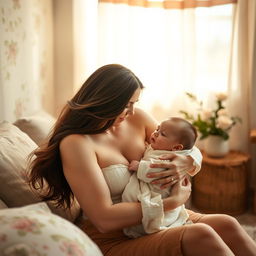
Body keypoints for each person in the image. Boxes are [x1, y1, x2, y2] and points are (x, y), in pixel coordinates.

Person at [29, 64, 256, 256]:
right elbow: (104, 219)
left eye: (134, 103)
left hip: (164, 221)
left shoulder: (136, 119)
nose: (131, 111)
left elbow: (183, 145)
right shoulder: (76, 143)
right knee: (200, 234)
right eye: (126, 104)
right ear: (105, 100)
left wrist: (187, 162)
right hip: (116, 237)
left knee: (227, 223)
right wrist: (172, 202)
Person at [122, 117, 199, 238]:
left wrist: (140, 167)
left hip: (162, 192)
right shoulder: (159, 147)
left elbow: (158, 170)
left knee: (227, 223)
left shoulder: (168, 156)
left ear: (177, 148)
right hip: (165, 202)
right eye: (157, 129)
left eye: (162, 134)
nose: (156, 133)